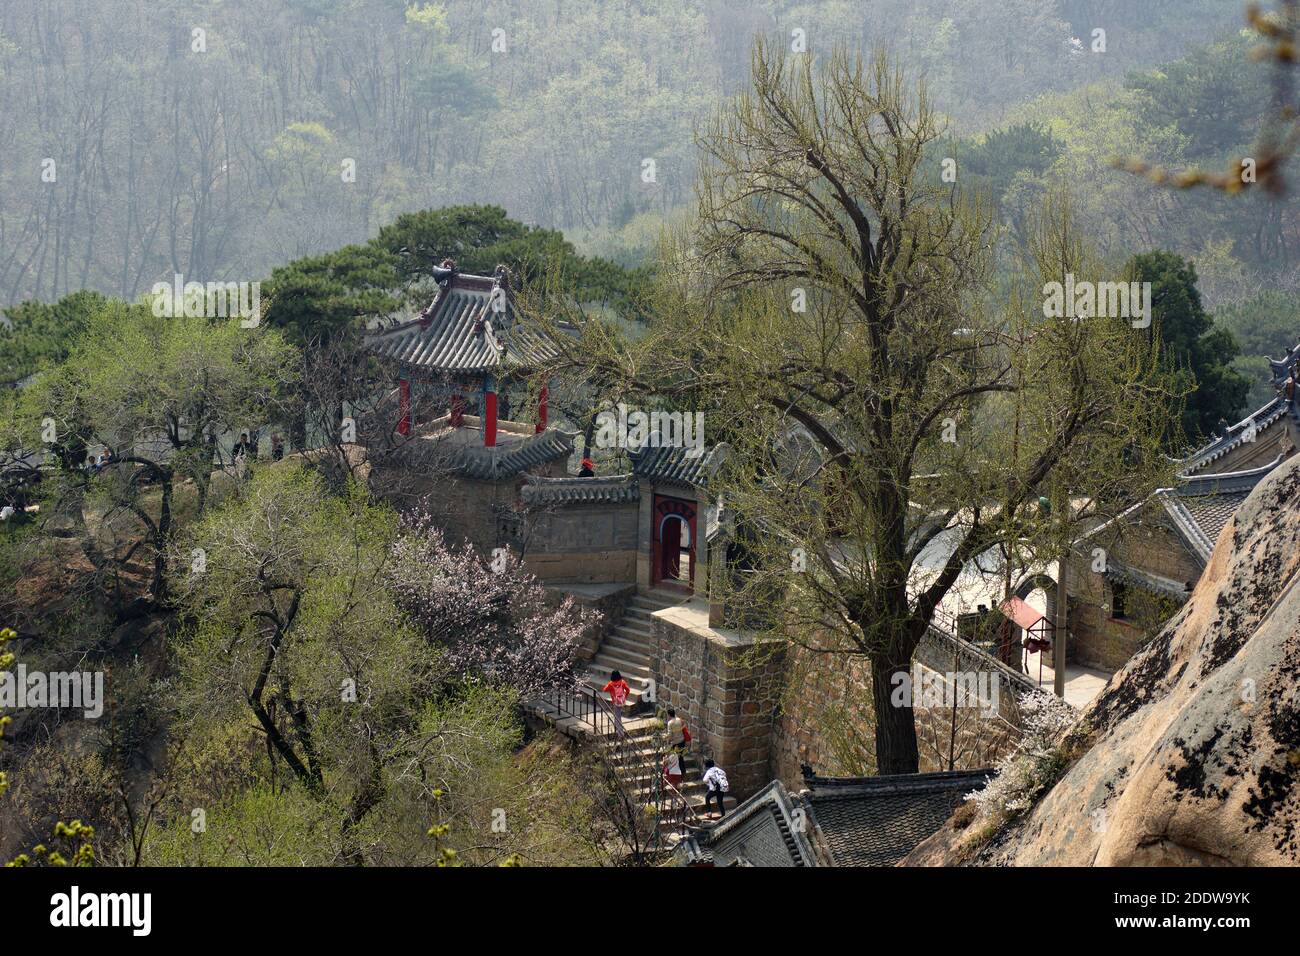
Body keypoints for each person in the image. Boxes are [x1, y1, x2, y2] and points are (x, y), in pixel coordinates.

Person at [602, 669, 630, 738]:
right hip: (622, 701)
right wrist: (624, 697)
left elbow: (604, 689)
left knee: (618, 717)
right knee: (617, 714)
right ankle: (616, 727)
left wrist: (610, 689)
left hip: (615, 701)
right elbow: (628, 690)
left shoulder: (611, 684)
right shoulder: (622, 682)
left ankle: (620, 734)